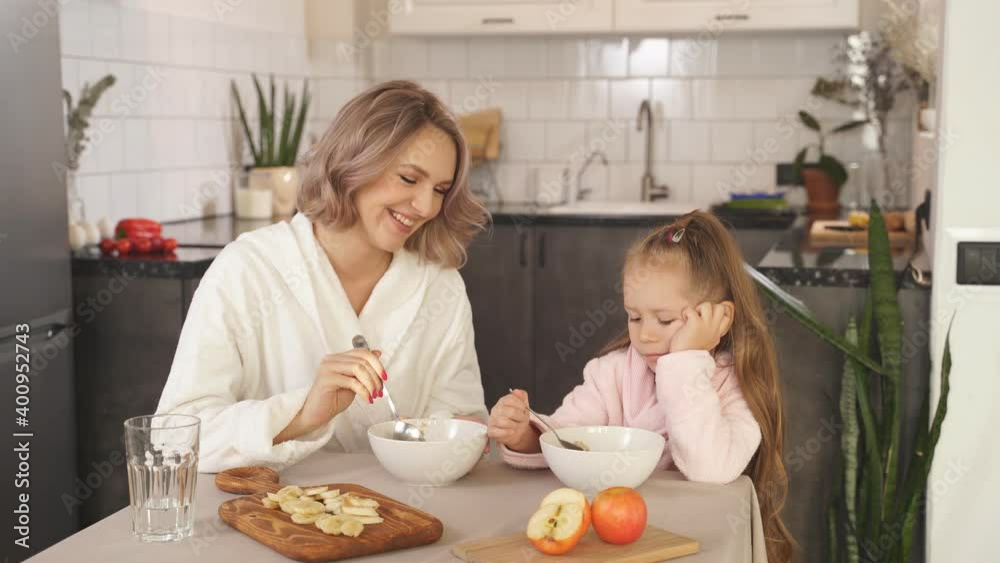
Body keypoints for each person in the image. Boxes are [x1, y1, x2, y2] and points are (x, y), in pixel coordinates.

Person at [157, 80, 489, 473]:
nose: (425, 206)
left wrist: (480, 434)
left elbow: (462, 419)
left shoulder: (440, 284)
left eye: (440, 189)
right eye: (409, 179)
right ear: (355, 162)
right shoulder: (247, 269)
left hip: (405, 517)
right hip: (268, 520)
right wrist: (303, 413)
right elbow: (174, 440)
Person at [487, 211, 793, 563]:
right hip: (609, 545)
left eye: (664, 320)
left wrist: (684, 360)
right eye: (634, 316)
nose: (644, 334)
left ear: (719, 318)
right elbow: (566, 437)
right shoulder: (612, 373)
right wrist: (523, 432)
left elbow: (712, 469)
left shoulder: (736, 389)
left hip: (691, 546)